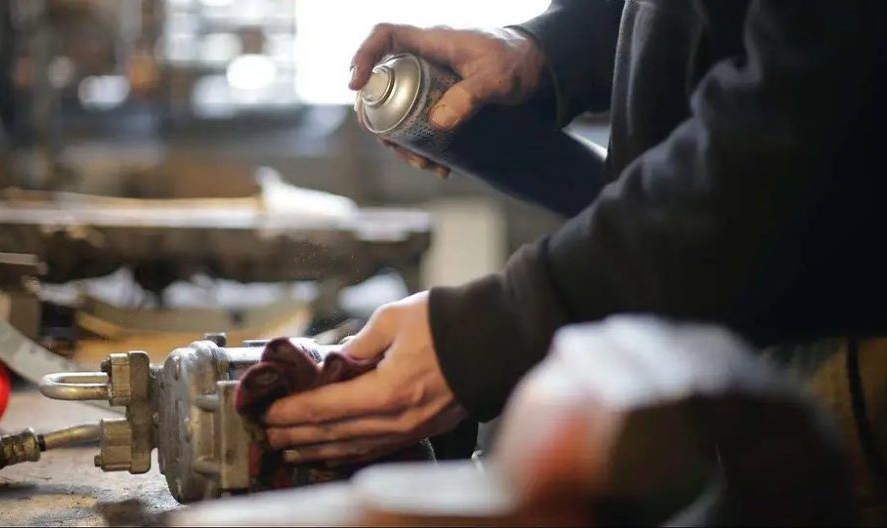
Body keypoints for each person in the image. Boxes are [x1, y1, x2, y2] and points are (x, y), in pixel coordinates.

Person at [262, 0, 887, 470]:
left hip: (841, 345)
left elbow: (797, 121)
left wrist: (496, 328)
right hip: (722, 310)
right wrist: (548, 53)